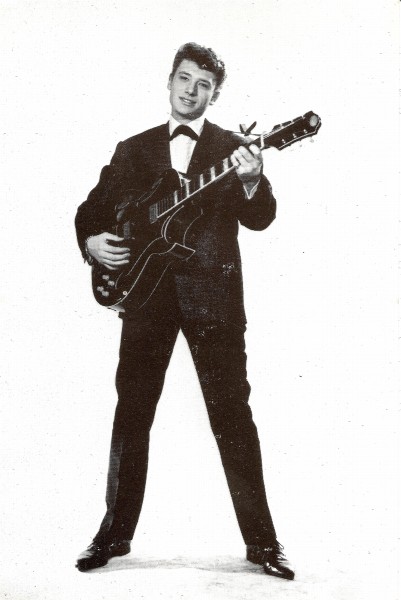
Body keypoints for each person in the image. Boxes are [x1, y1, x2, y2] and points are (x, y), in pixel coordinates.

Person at [75, 42, 294, 580]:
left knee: (232, 416)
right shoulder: (133, 149)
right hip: (144, 297)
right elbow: (91, 210)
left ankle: (263, 543)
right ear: (169, 81)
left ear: (215, 95)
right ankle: (114, 534)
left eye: (203, 85)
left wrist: (251, 177)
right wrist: (93, 241)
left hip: (213, 301)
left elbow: (261, 217)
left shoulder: (234, 148)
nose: (191, 91)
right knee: (132, 413)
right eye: (184, 79)